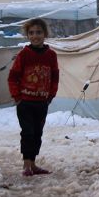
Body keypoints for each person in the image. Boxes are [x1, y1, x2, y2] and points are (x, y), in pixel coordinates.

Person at [8, 18, 60, 177]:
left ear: (45, 34)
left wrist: (50, 96)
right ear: (27, 35)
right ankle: (26, 165)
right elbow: (12, 77)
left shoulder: (51, 55)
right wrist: (17, 97)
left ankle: (33, 164)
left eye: (38, 32)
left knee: (37, 133)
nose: (35, 36)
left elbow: (55, 77)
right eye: (31, 33)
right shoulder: (24, 54)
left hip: (42, 102)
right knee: (28, 133)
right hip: (25, 102)